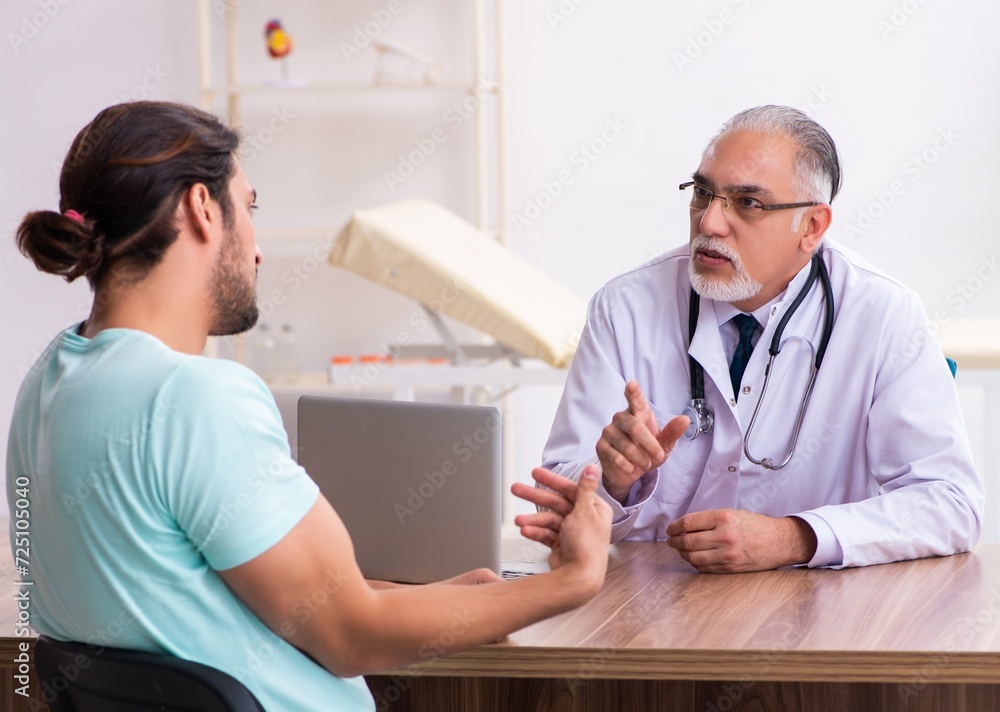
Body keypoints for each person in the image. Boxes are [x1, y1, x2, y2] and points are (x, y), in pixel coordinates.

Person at [6, 101, 612, 711]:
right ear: (200, 208)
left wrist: (454, 600)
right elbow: (351, 634)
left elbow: (210, 595)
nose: (258, 248)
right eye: (249, 206)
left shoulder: (47, 387)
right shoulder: (193, 398)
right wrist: (571, 583)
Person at [524, 105, 982, 573]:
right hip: (650, 607)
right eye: (703, 193)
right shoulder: (625, 308)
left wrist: (796, 537)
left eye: (748, 203)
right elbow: (554, 508)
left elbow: (951, 505)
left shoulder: (883, 315)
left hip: (817, 609)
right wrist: (615, 485)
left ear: (812, 227)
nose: (709, 224)